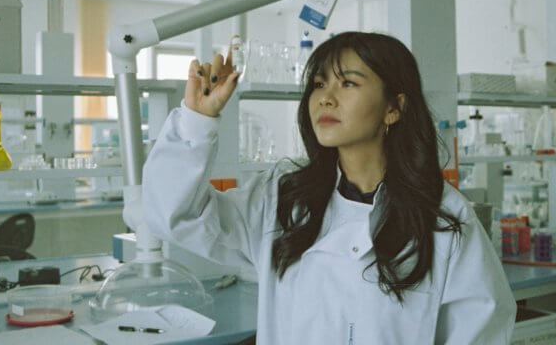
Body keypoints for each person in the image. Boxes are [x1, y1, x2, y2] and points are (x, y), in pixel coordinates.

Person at [143, 31, 517, 344]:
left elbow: (479, 332)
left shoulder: (445, 218)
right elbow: (174, 216)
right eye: (319, 83)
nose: (325, 96)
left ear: (394, 108)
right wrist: (196, 121)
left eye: (348, 82)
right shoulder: (282, 201)